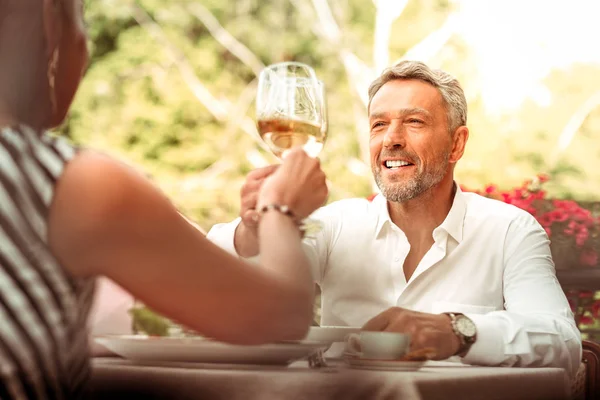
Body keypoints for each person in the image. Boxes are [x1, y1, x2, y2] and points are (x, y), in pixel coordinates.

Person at [0, 0, 327, 398]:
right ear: (53, 25)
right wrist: (280, 208)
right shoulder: (69, 184)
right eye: (80, 18)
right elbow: (282, 314)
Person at [208, 60, 582, 376]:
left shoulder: (510, 230)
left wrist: (457, 331)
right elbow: (229, 277)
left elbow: (563, 340)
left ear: (457, 143)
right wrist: (255, 228)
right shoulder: (335, 225)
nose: (391, 139)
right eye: (378, 124)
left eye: (414, 122)